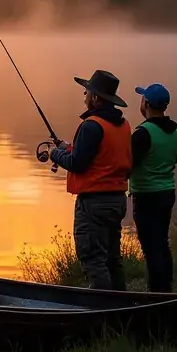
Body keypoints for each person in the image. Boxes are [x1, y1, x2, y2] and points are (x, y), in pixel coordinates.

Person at [48, 70, 132, 290]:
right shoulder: (123, 125)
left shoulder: (91, 126)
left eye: (87, 91)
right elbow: (102, 155)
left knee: (94, 261)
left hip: (94, 204)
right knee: (113, 259)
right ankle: (121, 310)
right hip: (117, 200)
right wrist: (66, 148)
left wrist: (54, 154)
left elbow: (77, 164)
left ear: (96, 98)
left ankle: (100, 314)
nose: (84, 94)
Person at [130, 83, 177, 292]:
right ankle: (165, 289)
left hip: (146, 196)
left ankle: (156, 293)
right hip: (167, 192)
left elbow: (128, 164)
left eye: (142, 99)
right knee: (162, 242)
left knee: (151, 248)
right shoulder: (175, 131)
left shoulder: (143, 133)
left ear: (147, 104)